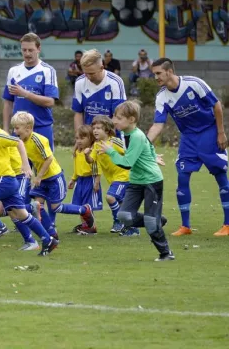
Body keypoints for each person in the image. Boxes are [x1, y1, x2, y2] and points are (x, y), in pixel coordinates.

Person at [147, 58, 229, 237]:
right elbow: (158, 124)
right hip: (188, 139)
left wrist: (221, 132)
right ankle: (185, 226)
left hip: (209, 132)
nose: (156, 77)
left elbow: (216, 105)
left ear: (169, 71)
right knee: (182, 177)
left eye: (158, 73)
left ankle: (227, 224)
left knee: (220, 175)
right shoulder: (162, 97)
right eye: (154, 74)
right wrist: (144, 143)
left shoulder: (194, 83)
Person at [0, 107, 58, 254]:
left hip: (5, 179)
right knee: (20, 214)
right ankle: (48, 240)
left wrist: (25, 164)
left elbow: (18, 142)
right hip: (2, 182)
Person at [99, 101, 174, 261]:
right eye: (114, 116)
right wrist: (153, 156)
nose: (114, 121)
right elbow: (149, 145)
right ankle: (157, 220)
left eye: (118, 118)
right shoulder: (126, 134)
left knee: (150, 222)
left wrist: (110, 151)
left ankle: (166, 253)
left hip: (151, 182)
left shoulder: (137, 136)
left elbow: (127, 163)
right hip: (136, 182)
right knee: (124, 216)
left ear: (131, 119)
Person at [11, 111, 95, 238]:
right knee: (38, 206)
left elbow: (49, 159)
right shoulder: (22, 142)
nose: (15, 131)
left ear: (28, 128)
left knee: (55, 207)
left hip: (54, 177)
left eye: (17, 128)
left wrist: (38, 176)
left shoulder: (38, 140)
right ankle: (51, 233)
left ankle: (85, 210)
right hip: (42, 178)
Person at [2, 33, 59, 151]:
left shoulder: (48, 71)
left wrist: (25, 94)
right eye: (24, 50)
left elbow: (50, 102)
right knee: (19, 169)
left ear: (38, 49)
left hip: (41, 128)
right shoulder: (13, 71)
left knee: (45, 168)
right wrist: (6, 130)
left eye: (31, 50)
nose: (27, 54)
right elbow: (8, 103)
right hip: (18, 130)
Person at [87, 115, 136, 235]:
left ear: (107, 130)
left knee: (110, 197)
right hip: (113, 179)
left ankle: (118, 221)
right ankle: (132, 229)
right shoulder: (96, 145)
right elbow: (91, 160)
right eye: (94, 128)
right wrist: (86, 154)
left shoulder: (115, 141)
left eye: (99, 128)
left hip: (124, 176)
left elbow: (130, 151)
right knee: (123, 205)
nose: (95, 130)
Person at [72, 49, 127, 137]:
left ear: (101, 68)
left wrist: (104, 137)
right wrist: (80, 138)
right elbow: (78, 113)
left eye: (92, 73)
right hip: (90, 136)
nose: (88, 77)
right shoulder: (80, 82)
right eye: (86, 73)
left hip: (112, 135)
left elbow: (118, 116)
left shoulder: (115, 82)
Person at [68, 125, 102, 234]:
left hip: (90, 180)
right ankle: (85, 226)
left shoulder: (92, 151)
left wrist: (96, 182)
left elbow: (98, 167)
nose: (79, 141)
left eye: (82, 138)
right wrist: (73, 180)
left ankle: (92, 227)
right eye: (77, 138)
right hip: (80, 181)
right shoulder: (77, 152)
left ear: (90, 138)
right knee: (80, 205)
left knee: (88, 205)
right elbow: (77, 168)